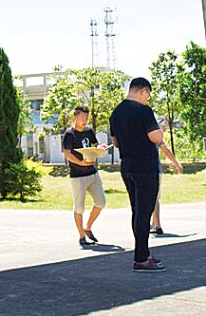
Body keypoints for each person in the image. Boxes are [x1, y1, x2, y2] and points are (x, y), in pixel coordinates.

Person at [109, 77, 166, 272]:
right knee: (145, 212)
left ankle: (144, 252)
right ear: (142, 91)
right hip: (145, 166)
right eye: (148, 94)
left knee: (137, 212)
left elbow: (115, 143)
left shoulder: (115, 113)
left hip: (127, 166)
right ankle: (141, 259)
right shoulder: (143, 111)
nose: (148, 98)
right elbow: (155, 137)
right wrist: (162, 129)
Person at [62, 106, 107, 246]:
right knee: (79, 208)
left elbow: (96, 146)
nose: (85, 120)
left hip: (93, 173)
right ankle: (82, 236)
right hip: (78, 176)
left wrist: (102, 148)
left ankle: (87, 228)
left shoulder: (89, 131)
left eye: (86, 118)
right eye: (82, 118)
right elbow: (67, 154)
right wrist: (80, 163)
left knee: (101, 203)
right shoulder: (70, 134)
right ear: (75, 117)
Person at [149, 116, 184, 237]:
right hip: (153, 169)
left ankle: (157, 225)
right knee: (154, 198)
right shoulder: (154, 136)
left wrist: (177, 164)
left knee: (153, 198)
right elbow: (166, 151)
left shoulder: (153, 136)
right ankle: (155, 223)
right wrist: (177, 164)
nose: (163, 131)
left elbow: (166, 150)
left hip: (150, 169)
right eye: (162, 127)